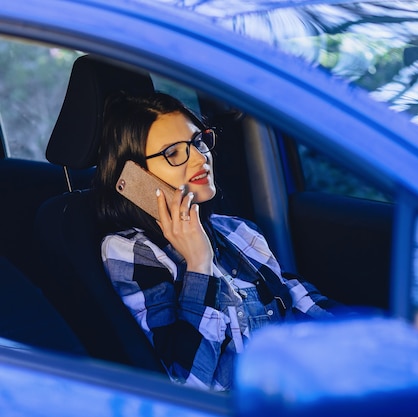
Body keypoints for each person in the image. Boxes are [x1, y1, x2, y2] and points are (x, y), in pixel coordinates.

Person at [94, 91, 341, 391]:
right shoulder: (131, 252)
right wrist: (199, 264)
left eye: (198, 142)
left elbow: (304, 304)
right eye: (173, 153)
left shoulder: (239, 232)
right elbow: (187, 383)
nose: (201, 158)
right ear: (136, 177)